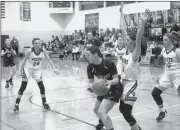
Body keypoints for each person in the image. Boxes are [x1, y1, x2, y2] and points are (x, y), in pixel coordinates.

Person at [118, 6, 150, 130]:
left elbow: (138, 37)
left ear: (133, 42)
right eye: (125, 40)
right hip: (123, 82)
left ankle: (136, 129)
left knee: (126, 112)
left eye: (127, 40)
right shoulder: (126, 50)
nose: (125, 41)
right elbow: (123, 28)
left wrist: (142, 23)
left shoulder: (135, 54)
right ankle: (137, 127)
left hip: (131, 84)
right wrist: (121, 14)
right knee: (122, 109)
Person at [14, 38, 59, 112]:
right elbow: (24, 61)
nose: (38, 45)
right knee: (23, 86)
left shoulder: (43, 50)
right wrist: (20, 71)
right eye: (36, 43)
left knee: (41, 86)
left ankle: (45, 102)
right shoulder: (30, 51)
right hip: (28, 69)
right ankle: (16, 104)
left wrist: (54, 69)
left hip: (37, 69)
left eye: (39, 43)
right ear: (33, 44)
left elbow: (49, 59)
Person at [85, 45, 122, 130]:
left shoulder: (108, 63)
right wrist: (93, 87)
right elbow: (91, 83)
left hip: (114, 87)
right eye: (86, 55)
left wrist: (109, 82)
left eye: (88, 55)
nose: (86, 57)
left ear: (95, 54)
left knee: (101, 112)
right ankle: (102, 121)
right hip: (103, 88)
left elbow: (116, 79)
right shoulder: (90, 67)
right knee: (96, 110)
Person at [151, 32, 180, 121]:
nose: (163, 41)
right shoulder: (164, 50)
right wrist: (156, 56)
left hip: (177, 74)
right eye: (163, 40)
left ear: (171, 40)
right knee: (155, 93)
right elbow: (160, 57)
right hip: (167, 75)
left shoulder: (177, 51)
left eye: (165, 40)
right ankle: (162, 111)